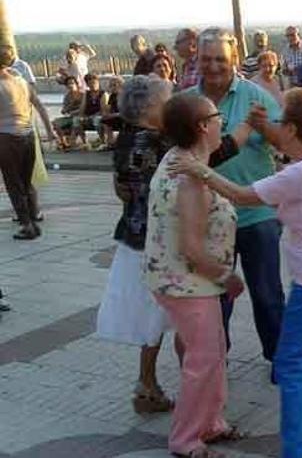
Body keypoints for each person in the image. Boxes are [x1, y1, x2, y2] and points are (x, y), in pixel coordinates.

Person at [169, 88, 302, 457]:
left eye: (280, 123)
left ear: (292, 130)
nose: (276, 127)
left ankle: (294, 451)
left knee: (290, 365)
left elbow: (242, 195)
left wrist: (200, 169)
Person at [144, 92, 246, 458]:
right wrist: (226, 276)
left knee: (213, 351)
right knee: (202, 360)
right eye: (218, 116)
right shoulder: (190, 178)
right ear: (203, 126)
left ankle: (211, 422)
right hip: (188, 283)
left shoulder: (183, 160)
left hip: (189, 281)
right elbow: (190, 246)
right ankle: (185, 439)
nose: (223, 121)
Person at [188, 28, 287, 369]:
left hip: (256, 215)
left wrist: (265, 127)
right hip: (208, 218)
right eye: (206, 59)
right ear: (195, 59)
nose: (213, 66)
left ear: (233, 60)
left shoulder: (255, 96)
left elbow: (284, 142)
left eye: (220, 59)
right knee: (215, 297)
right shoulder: (187, 101)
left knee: (267, 294)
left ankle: (279, 360)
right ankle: (216, 361)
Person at [96, 75, 176, 414]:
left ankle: (148, 382)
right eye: (166, 101)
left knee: (153, 312)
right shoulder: (156, 143)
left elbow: (122, 187)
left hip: (133, 234)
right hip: (157, 241)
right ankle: (150, 384)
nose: (170, 106)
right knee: (161, 312)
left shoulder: (126, 139)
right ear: (148, 107)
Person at [0, 40, 52, 240]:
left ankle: (27, 225)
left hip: (7, 138)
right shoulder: (20, 81)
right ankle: (32, 217)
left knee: (13, 183)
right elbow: (38, 105)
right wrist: (49, 131)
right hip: (28, 135)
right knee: (26, 180)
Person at [77, 73, 110, 148]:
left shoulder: (103, 94)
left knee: (96, 120)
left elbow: (103, 109)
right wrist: (81, 116)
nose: (92, 85)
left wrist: (92, 116)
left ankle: (103, 140)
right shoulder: (87, 94)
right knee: (77, 120)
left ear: (98, 83)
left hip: (100, 115)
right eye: (90, 83)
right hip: (88, 115)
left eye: (94, 83)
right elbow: (82, 107)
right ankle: (85, 142)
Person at [53, 75, 84, 150]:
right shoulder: (67, 96)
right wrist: (71, 104)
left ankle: (72, 142)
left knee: (75, 121)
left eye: (72, 83)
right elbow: (63, 111)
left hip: (80, 117)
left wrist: (74, 112)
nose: (71, 85)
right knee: (56, 123)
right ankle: (64, 142)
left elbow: (84, 109)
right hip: (70, 117)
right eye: (68, 84)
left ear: (77, 84)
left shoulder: (82, 95)